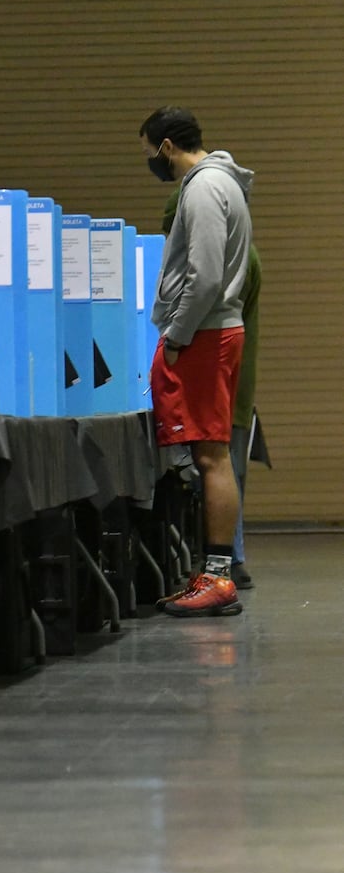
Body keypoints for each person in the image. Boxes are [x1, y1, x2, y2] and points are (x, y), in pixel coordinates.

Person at [139, 106, 252, 617]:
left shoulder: (204, 187)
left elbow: (204, 276)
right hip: (211, 332)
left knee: (211, 457)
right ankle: (213, 573)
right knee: (212, 454)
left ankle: (219, 579)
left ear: (166, 147)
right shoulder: (221, 183)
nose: (150, 163)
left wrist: (179, 336)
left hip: (205, 334)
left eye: (149, 153)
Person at [159, 187, 262, 591]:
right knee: (224, 466)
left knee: (221, 467)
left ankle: (230, 564)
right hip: (229, 380)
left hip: (225, 383)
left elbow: (209, 313)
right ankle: (228, 562)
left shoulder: (236, 261)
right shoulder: (244, 255)